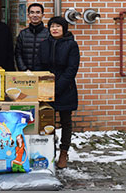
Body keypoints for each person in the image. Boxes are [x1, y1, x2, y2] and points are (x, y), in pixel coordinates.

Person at [38, 16, 80, 169]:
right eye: (52, 26)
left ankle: (63, 151)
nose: (54, 29)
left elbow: (71, 70)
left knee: (65, 121)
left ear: (64, 28)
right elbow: (39, 66)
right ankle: (48, 151)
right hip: (46, 89)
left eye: (58, 26)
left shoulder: (71, 45)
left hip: (65, 88)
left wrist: (57, 88)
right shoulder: (44, 45)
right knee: (47, 121)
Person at [14, 3, 49, 71]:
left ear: (43, 15)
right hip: (26, 74)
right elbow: (18, 54)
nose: (35, 15)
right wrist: (24, 69)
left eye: (38, 12)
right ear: (28, 15)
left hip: (43, 74)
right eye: (32, 12)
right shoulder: (23, 34)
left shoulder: (48, 34)